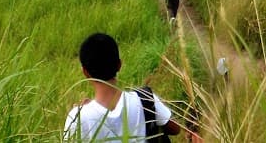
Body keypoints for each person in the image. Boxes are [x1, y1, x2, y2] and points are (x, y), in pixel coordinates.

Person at [63, 33, 198, 143]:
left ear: (85, 72)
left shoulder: (77, 118)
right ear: (119, 65)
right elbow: (175, 129)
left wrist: (84, 110)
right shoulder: (145, 100)